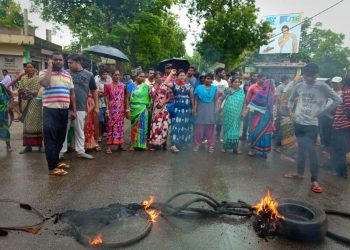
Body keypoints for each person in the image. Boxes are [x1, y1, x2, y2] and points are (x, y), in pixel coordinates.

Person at [285, 63, 342, 193]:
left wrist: (323, 112)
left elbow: (338, 100)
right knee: (301, 149)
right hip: (298, 122)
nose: (308, 78)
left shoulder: (323, 86)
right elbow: (291, 99)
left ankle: (314, 180)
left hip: (312, 124)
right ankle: (299, 173)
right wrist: (290, 112)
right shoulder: (299, 85)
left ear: (316, 75)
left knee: (312, 152)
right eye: (306, 75)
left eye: (311, 76)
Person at [39, 53, 76, 176]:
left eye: (60, 60)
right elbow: (44, 83)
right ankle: (52, 168)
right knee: (50, 139)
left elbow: (72, 94)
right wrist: (49, 67)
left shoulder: (67, 75)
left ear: (63, 62)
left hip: (64, 111)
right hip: (50, 110)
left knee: (60, 138)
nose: (58, 61)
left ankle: (56, 161)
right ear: (51, 61)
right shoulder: (44, 72)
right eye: (55, 60)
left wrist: (74, 110)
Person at [62, 54, 98, 160]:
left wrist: (96, 106)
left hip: (81, 107)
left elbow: (94, 91)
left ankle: (80, 151)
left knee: (79, 130)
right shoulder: (65, 73)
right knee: (64, 130)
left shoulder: (89, 74)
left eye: (70, 62)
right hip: (65, 106)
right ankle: (61, 152)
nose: (68, 65)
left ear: (78, 62)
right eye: (68, 62)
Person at [164, 69, 194, 153]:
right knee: (176, 126)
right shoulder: (174, 85)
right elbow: (165, 83)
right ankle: (173, 145)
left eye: (183, 75)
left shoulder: (189, 85)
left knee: (185, 126)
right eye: (180, 75)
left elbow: (192, 98)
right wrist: (171, 73)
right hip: (177, 109)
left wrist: (193, 108)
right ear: (177, 77)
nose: (182, 77)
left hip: (186, 109)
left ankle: (181, 143)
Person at [16, 63, 43, 153]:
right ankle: (28, 146)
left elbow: (41, 90)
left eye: (30, 67)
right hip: (25, 103)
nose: (28, 68)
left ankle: (40, 146)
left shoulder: (39, 78)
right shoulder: (23, 78)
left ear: (34, 69)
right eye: (27, 67)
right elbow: (19, 89)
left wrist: (31, 91)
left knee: (37, 123)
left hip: (36, 103)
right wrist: (22, 91)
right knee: (26, 125)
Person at [246, 79, 275, 158]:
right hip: (266, 116)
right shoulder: (272, 95)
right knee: (265, 132)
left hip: (258, 116)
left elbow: (253, 104)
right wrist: (272, 118)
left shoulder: (260, 93)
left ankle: (252, 150)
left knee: (256, 131)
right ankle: (263, 152)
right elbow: (271, 108)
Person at [193, 73, 218, 153]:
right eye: (207, 78)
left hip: (211, 109)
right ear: (204, 79)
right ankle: (197, 144)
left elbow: (216, 100)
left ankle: (211, 145)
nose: (209, 80)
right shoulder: (199, 88)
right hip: (201, 108)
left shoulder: (214, 88)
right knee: (199, 127)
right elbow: (196, 100)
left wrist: (216, 109)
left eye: (211, 79)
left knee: (210, 128)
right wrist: (194, 109)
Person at [331, 76, 350, 178]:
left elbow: (349, 109)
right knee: (338, 148)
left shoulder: (347, 92)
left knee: (340, 150)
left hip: (342, 126)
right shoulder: (346, 92)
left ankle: (342, 173)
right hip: (340, 125)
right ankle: (338, 170)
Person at [126, 71, 150, 150]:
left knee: (143, 126)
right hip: (134, 108)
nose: (142, 78)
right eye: (140, 76)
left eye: (143, 77)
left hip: (143, 108)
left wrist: (148, 107)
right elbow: (127, 98)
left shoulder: (146, 86)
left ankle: (143, 144)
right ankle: (133, 144)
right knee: (134, 126)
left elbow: (148, 98)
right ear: (136, 76)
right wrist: (127, 110)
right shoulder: (131, 85)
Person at [221, 77, 245, 154]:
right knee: (227, 129)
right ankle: (225, 147)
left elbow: (244, 102)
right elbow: (221, 98)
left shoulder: (241, 92)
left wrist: (243, 111)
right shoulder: (227, 90)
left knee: (235, 130)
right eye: (235, 82)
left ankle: (235, 148)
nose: (237, 83)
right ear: (231, 83)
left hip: (237, 113)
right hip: (228, 112)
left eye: (238, 82)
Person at [104, 70, 126, 154]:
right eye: (115, 75)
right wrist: (106, 109)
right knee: (110, 126)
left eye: (118, 75)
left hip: (120, 109)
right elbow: (106, 98)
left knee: (120, 127)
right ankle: (108, 147)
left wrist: (124, 108)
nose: (117, 76)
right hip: (112, 109)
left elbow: (123, 97)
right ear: (112, 75)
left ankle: (119, 144)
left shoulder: (122, 85)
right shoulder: (108, 86)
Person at [149, 71, 171, 150]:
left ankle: (163, 143)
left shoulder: (165, 85)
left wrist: (163, 103)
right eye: (157, 77)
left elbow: (169, 97)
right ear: (154, 78)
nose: (159, 78)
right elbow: (151, 97)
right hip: (155, 108)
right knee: (155, 126)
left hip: (163, 108)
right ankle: (155, 143)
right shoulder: (151, 86)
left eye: (160, 77)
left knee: (164, 125)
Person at [275, 75, 292, 150]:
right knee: (281, 127)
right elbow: (278, 98)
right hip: (282, 109)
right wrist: (280, 108)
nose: (290, 81)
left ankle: (280, 142)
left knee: (281, 126)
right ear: (285, 80)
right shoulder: (280, 87)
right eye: (289, 79)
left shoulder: (288, 87)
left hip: (287, 110)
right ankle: (277, 146)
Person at [212, 67, 228, 142]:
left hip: (222, 103)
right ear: (218, 73)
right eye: (223, 72)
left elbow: (227, 92)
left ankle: (218, 136)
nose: (224, 74)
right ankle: (210, 136)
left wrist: (222, 99)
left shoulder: (225, 82)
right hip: (213, 103)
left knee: (220, 121)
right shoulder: (213, 82)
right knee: (212, 120)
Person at [96, 69, 110, 142]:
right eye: (103, 74)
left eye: (106, 74)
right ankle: (99, 136)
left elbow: (110, 93)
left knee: (107, 120)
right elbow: (97, 93)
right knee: (100, 120)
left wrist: (102, 92)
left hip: (108, 104)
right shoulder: (97, 82)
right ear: (100, 75)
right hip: (100, 104)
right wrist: (104, 92)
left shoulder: (109, 82)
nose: (105, 75)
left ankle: (106, 133)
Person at [0, 83, 12, 152]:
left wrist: (10, 104)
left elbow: (10, 94)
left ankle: (8, 146)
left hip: (3, 112)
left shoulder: (1, 86)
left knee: (5, 129)